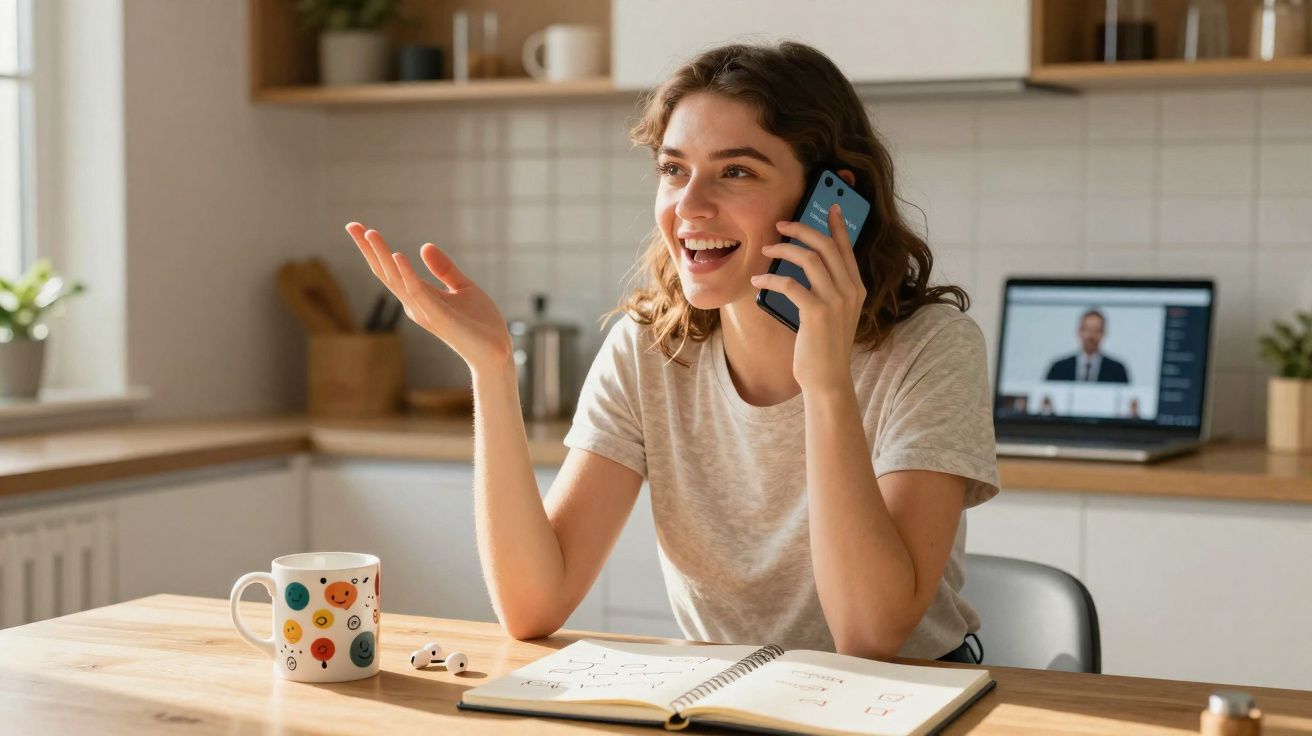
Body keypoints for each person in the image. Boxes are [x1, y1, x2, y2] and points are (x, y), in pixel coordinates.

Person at [344, 41, 998, 665]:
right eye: (673, 170)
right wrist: (489, 370)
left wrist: (826, 383)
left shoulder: (931, 349)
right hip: (732, 700)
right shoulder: (650, 348)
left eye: (735, 171)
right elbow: (531, 604)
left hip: (911, 700)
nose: (690, 206)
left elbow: (869, 634)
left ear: (831, 201)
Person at [1045, 309, 1130, 383]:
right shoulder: (1059, 368)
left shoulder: (1117, 370)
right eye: (1087, 329)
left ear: (1104, 334)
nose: (1091, 336)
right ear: (1079, 332)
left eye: (1097, 330)